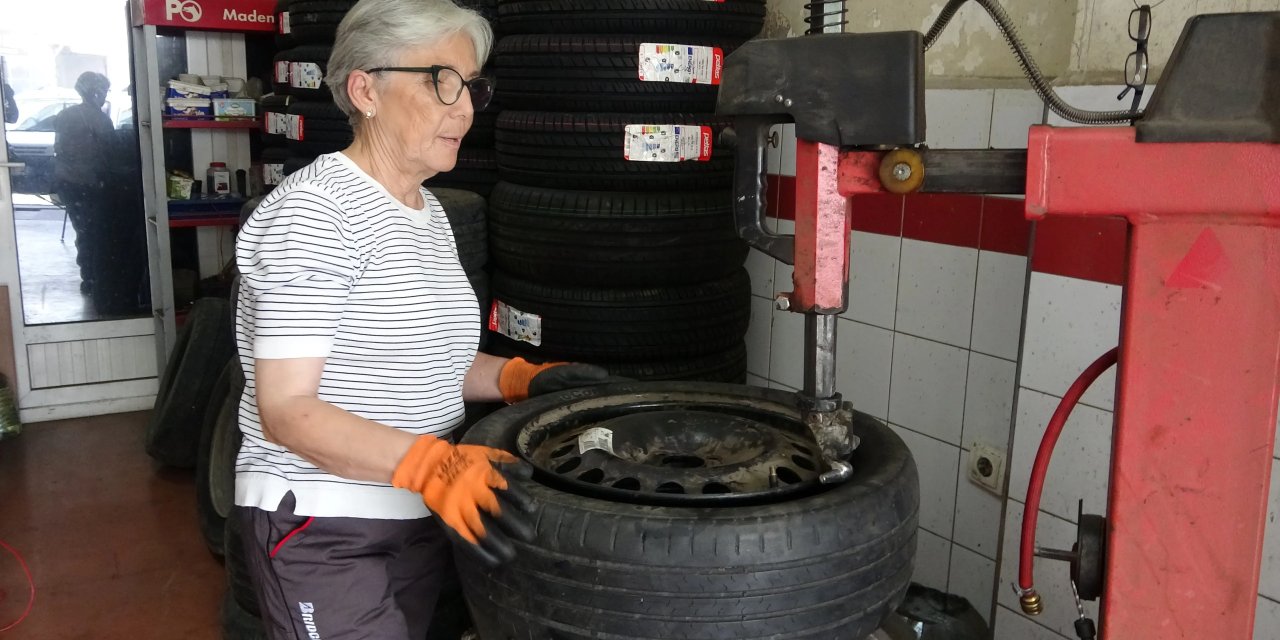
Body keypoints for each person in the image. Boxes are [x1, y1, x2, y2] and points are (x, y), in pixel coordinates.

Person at [232, 0, 613, 638]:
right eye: (441, 81)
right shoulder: (315, 216)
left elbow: (422, 362)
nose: (463, 108)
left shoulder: (426, 212)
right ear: (365, 89)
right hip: (323, 526)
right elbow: (287, 409)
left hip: (417, 513)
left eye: (472, 87)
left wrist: (519, 379)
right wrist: (433, 467)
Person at [53, 71, 114, 292]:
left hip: (67, 182)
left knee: (83, 230)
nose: (105, 96)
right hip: (90, 183)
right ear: (96, 92)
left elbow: (59, 148)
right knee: (95, 232)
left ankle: (89, 277)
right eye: (104, 91)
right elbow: (110, 152)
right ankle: (95, 279)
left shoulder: (65, 115)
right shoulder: (100, 119)